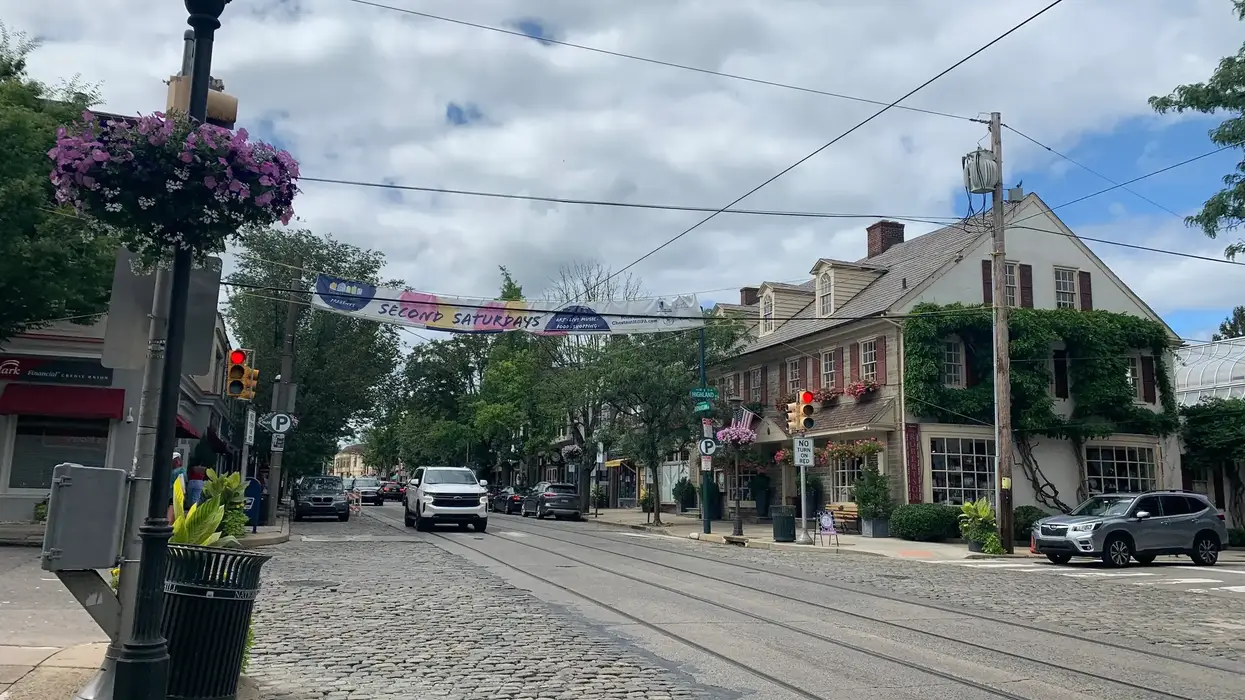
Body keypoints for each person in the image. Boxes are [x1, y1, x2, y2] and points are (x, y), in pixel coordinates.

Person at [168, 452, 186, 522]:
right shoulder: (181, 470)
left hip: (169, 493)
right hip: (176, 492)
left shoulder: (170, 471)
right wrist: (184, 493)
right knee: (174, 509)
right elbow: (182, 482)